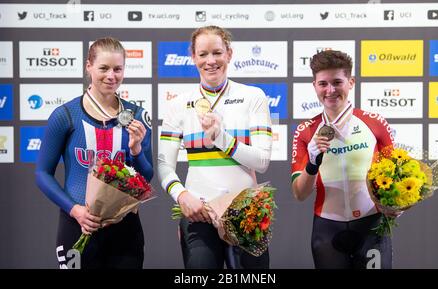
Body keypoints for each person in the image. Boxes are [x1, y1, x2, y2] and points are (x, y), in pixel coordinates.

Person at [158, 25, 273, 269]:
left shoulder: (253, 97)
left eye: (217, 53)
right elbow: (164, 165)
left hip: (246, 215)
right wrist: (181, 195)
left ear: (229, 54)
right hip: (199, 214)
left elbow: (262, 162)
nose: (211, 61)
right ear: (193, 57)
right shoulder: (177, 105)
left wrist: (221, 137)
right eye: (203, 54)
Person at [35, 37, 153, 269]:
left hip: (125, 229)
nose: (111, 76)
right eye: (104, 68)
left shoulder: (137, 116)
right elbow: (42, 173)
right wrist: (75, 210)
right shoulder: (65, 115)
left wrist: (137, 150)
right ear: (88, 66)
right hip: (77, 226)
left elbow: (146, 178)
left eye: (118, 69)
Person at [291, 50, 395, 269]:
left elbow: (395, 179)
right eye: (323, 84)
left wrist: (396, 203)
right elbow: (299, 194)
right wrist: (312, 163)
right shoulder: (306, 131)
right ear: (314, 86)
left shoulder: (374, 124)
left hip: (371, 226)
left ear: (351, 82)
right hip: (327, 229)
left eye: (337, 82)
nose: (330, 90)